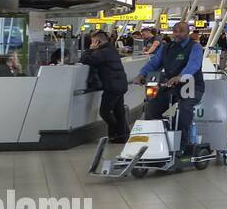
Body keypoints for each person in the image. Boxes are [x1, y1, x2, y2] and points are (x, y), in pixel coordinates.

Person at [135, 21, 206, 155]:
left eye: (181, 31)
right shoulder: (167, 47)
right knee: (152, 108)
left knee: (183, 111)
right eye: (175, 31)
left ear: (188, 32)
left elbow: (194, 65)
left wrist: (181, 76)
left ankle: (181, 146)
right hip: (170, 86)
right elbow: (154, 63)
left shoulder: (195, 47)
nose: (178, 34)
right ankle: (154, 143)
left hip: (192, 87)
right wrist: (141, 74)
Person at [80, 30, 129, 143]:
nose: (91, 43)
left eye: (93, 41)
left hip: (112, 86)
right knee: (118, 111)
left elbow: (85, 60)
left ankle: (115, 132)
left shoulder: (102, 52)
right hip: (120, 84)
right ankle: (122, 136)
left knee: (105, 112)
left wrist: (90, 49)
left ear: (97, 41)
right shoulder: (111, 49)